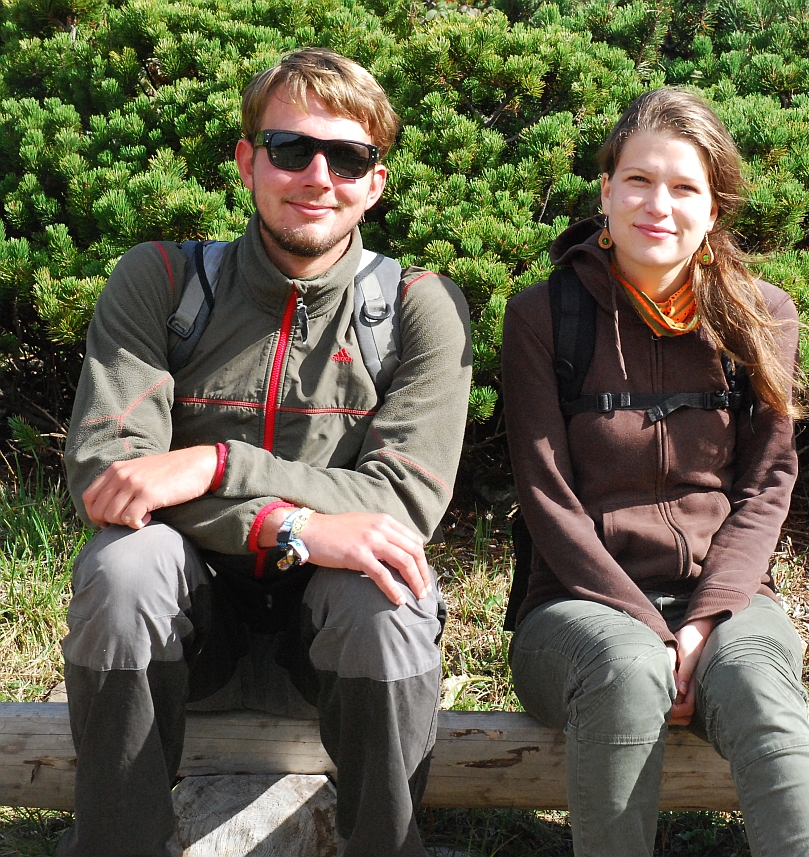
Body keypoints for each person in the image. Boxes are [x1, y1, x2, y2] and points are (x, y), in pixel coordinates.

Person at [59, 48, 472, 857]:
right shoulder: (162, 281)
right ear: (248, 161)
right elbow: (109, 478)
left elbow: (402, 504)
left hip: (331, 645)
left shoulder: (418, 308)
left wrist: (215, 465)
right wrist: (294, 525)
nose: (318, 176)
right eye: (291, 149)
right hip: (188, 633)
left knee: (388, 588)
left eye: (347, 158)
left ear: (374, 184)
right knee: (124, 567)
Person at [501, 87, 809, 857]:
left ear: (713, 208)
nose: (658, 205)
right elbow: (547, 498)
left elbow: (767, 483)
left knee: (758, 679)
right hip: (575, 607)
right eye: (639, 180)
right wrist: (653, 633)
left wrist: (705, 619)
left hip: (726, 597)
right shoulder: (542, 315)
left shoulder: (762, 314)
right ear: (606, 192)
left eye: (685, 187)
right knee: (627, 668)